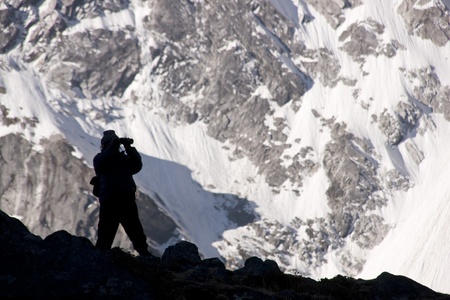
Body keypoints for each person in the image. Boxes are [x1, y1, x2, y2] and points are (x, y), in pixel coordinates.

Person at [93, 130, 150, 256]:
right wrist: (114, 145)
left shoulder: (123, 159)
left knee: (136, 231)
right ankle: (101, 258)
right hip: (110, 201)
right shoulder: (99, 159)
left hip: (124, 199)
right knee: (105, 234)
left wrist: (128, 147)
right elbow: (105, 160)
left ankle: (144, 254)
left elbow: (137, 165)